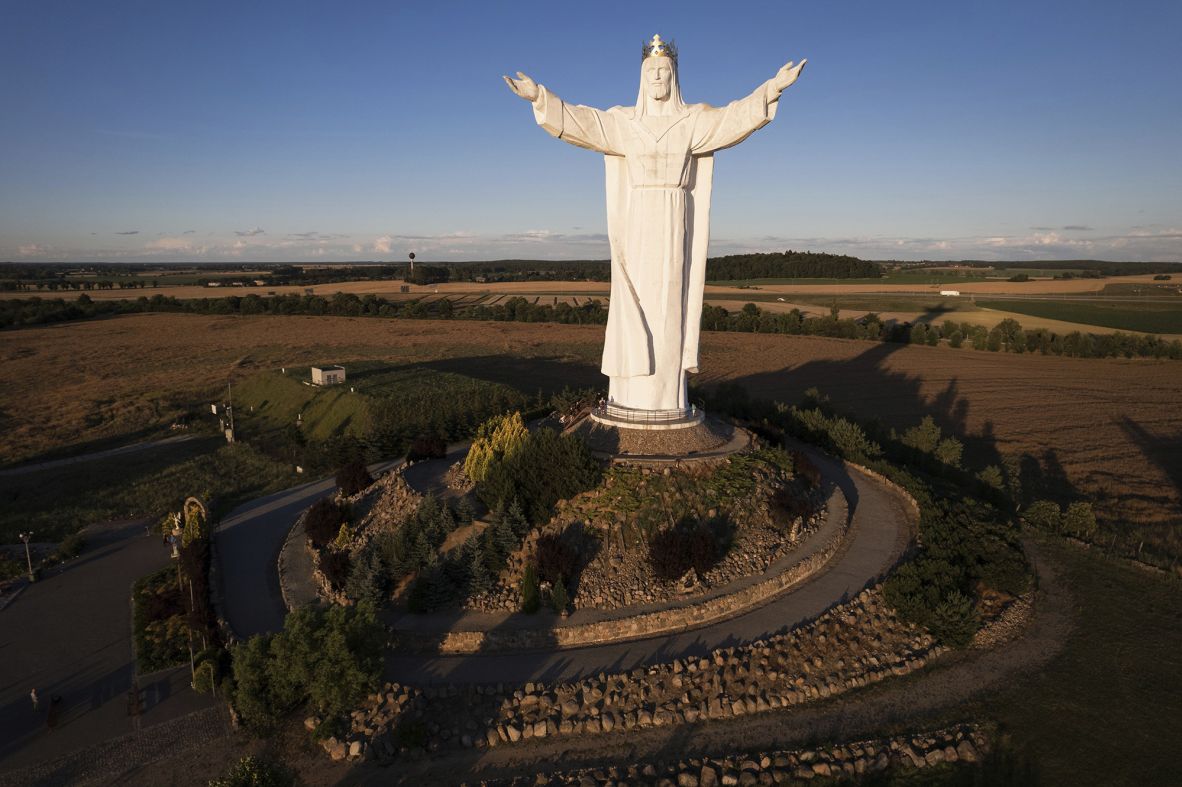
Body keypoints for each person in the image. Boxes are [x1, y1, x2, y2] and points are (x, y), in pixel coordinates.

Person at [506, 36, 805, 413]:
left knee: (669, 306)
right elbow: (583, 122)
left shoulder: (692, 119)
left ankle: (664, 399)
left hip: (674, 218)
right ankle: (628, 396)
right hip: (636, 220)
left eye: (665, 70)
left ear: (675, 76)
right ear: (642, 77)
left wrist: (772, 87)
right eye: (652, 71)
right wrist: (540, 98)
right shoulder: (624, 121)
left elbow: (733, 119)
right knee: (634, 301)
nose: (659, 76)